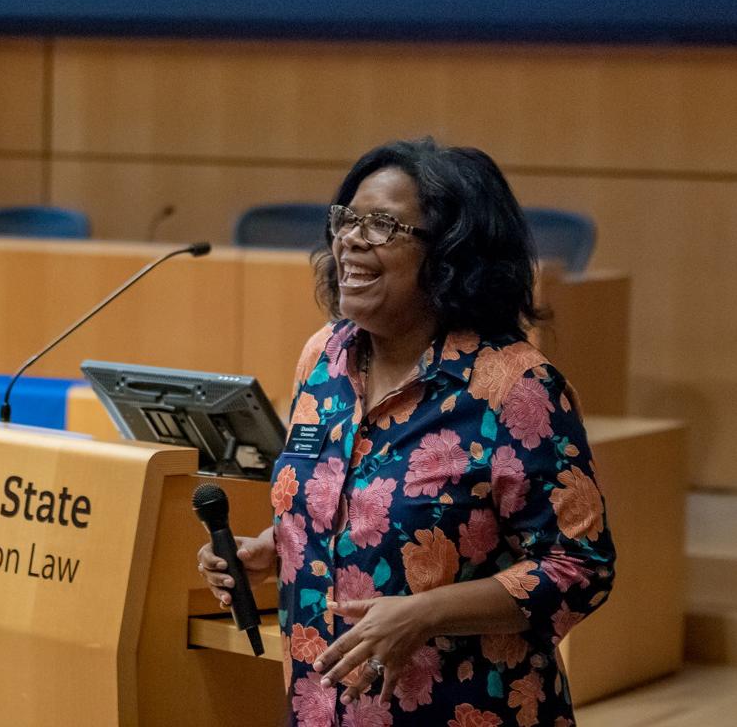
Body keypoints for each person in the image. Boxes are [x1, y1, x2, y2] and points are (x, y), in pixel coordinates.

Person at [199, 138, 615, 726]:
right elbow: (355, 500)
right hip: (322, 708)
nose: (350, 239)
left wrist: (425, 614)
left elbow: (578, 568)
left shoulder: (515, 387)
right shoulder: (323, 359)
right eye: (346, 220)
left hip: (464, 708)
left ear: (450, 255)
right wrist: (277, 545)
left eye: (382, 226)